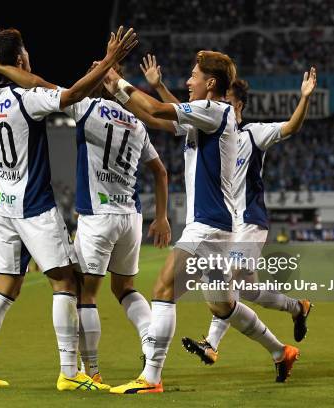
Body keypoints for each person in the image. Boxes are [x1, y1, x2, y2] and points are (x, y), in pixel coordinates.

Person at [104, 50, 297, 393]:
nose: (188, 81)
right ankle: (281, 351)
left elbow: (160, 109)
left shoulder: (216, 110)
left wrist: (115, 77)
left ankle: (151, 377)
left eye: (193, 76)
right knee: (223, 305)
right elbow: (157, 119)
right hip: (216, 227)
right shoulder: (207, 115)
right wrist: (117, 91)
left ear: (210, 83)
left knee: (163, 289)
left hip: (206, 226)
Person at [0, 26, 138, 391]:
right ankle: (70, 373)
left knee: (6, 286)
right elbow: (72, 94)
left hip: (4, 205)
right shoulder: (30, 99)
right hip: (34, 205)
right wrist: (109, 62)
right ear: (22, 59)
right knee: (67, 282)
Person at [175, 71, 316, 365]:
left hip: (250, 221)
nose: (219, 103)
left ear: (238, 105)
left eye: (226, 99)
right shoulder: (215, 137)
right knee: (249, 289)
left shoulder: (253, 134)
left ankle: (211, 344)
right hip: (227, 225)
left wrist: (304, 98)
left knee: (227, 281)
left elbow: (291, 127)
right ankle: (297, 308)